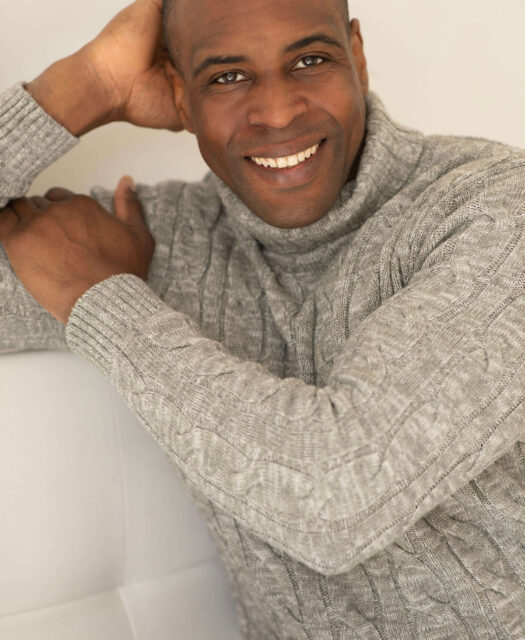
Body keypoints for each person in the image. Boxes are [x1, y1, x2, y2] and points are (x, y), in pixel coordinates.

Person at [1, 0, 524, 637]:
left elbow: (337, 503)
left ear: (357, 57)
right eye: (227, 76)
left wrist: (103, 299)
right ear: (181, 96)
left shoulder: (493, 208)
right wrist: (81, 88)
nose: (277, 112)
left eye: (310, 61)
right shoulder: (164, 241)